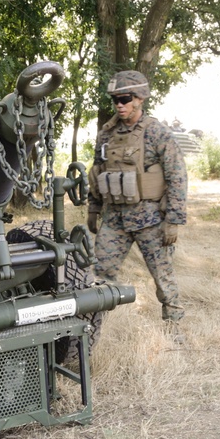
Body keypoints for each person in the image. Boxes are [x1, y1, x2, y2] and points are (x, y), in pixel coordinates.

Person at [86, 70, 188, 340]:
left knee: (162, 276)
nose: (119, 104)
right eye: (115, 100)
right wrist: (93, 209)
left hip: (151, 219)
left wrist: (174, 220)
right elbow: (97, 173)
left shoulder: (156, 132)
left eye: (125, 98)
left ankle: (174, 327)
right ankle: (91, 330)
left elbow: (177, 175)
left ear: (140, 98)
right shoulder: (106, 134)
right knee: (99, 275)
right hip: (115, 219)